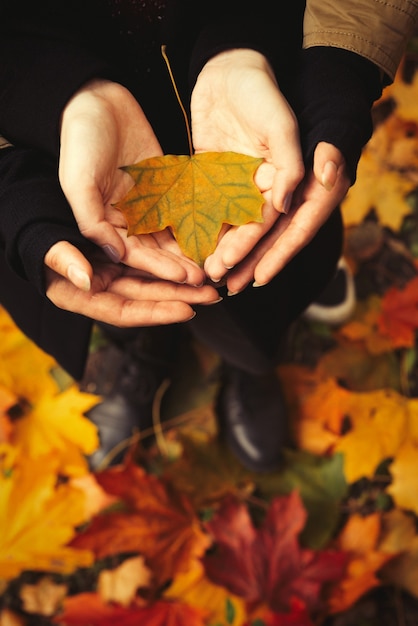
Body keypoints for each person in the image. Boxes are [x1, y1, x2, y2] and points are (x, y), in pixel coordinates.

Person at [0, 0, 416, 471]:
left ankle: (250, 363)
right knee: (105, 271)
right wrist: (10, 180)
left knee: (256, 284)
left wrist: (339, 63)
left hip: (256, 77)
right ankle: (146, 346)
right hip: (43, 141)